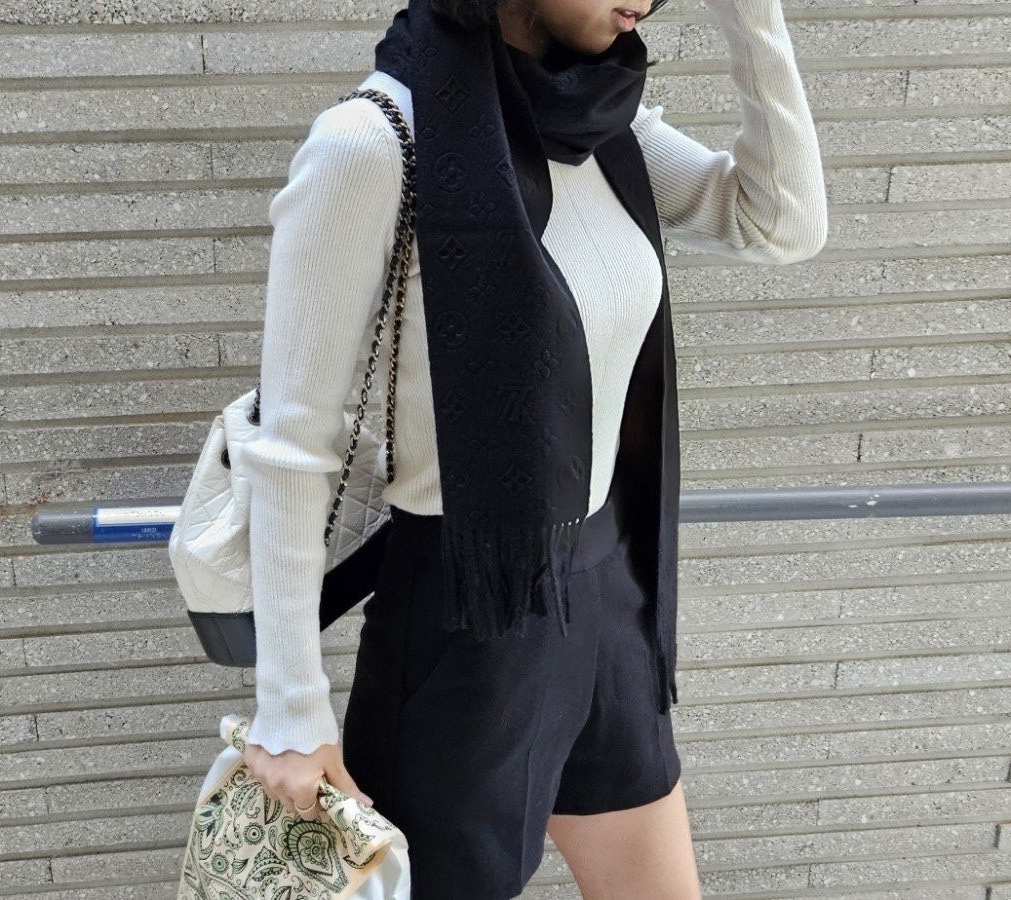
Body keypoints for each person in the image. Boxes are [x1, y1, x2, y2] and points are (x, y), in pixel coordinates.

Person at [239, 0, 827, 896]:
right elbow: (292, 444)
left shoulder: (607, 129)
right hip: (466, 621)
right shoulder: (373, 143)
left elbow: (782, 222)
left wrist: (751, 17)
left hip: (609, 594)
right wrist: (290, 708)